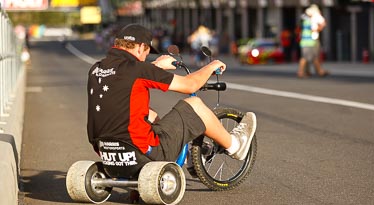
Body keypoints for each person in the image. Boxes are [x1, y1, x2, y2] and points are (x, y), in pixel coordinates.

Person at [87, 24, 257, 170]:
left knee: (148, 112)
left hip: (108, 155)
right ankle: (235, 145)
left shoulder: (96, 69)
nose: (146, 56)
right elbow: (190, 85)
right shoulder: (139, 70)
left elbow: (125, 80)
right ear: (140, 47)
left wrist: (155, 67)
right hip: (140, 153)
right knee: (194, 104)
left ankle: (189, 155)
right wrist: (211, 66)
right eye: (146, 51)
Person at [297, 4, 328, 78]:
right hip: (308, 42)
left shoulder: (305, 19)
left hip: (309, 41)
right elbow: (313, 29)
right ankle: (301, 72)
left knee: (314, 57)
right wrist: (320, 26)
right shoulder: (309, 20)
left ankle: (318, 71)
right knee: (305, 57)